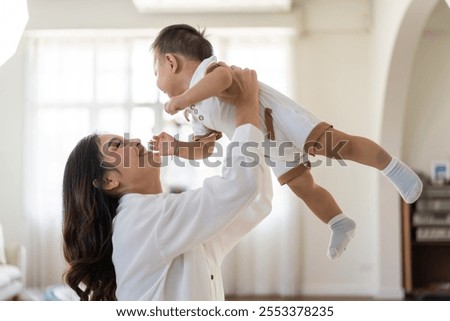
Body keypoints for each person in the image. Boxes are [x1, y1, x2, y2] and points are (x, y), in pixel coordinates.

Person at [150, 24, 423, 260]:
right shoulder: (195, 109)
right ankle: (339, 222)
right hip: (268, 143)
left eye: (156, 71)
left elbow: (223, 79)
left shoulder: (208, 71)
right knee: (302, 185)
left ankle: (395, 168)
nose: (156, 81)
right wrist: (176, 148)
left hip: (280, 119)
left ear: (171, 62)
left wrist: (183, 99)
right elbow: (205, 148)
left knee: (338, 145)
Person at [62, 65, 273, 300]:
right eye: (118, 146)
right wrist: (245, 105)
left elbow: (255, 202)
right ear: (108, 180)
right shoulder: (140, 218)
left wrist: (239, 122)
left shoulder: (161, 219)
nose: (136, 141)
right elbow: (240, 187)